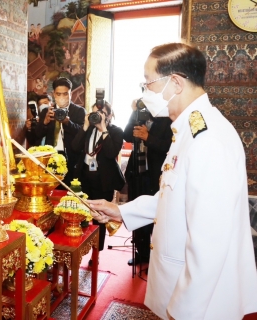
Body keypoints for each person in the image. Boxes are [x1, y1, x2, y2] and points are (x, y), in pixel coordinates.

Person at [87, 43, 257, 319]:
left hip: (199, 305)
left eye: (148, 84)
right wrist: (120, 210)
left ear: (175, 82)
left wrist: (183, 312)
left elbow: (209, 245)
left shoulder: (208, 140)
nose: (145, 93)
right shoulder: (188, 131)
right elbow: (173, 197)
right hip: (179, 287)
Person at [123, 99, 173, 265]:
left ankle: (156, 255)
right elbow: (126, 135)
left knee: (155, 215)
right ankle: (141, 253)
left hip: (155, 174)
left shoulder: (168, 117)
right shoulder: (141, 115)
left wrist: (148, 137)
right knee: (136, 211)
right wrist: (133, 113)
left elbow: (169, 147)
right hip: (137, 171)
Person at [73, 101, 125, 253]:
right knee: (82, 214)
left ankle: (96, 252)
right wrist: (84, 126)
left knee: (100, 218)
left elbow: (110, 153)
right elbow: (75, 147)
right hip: (84, 178)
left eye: (100, 113)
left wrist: (103, 129)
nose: (97, 116)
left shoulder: (116, 131)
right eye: (94, 113)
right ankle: (80, 247)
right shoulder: (87, 129)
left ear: (108, 115)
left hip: (103, 181)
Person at [34, 78, 85, 186]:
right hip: (51, 157)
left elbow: (82, 134)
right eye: (58, 94)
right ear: (53, 94)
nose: (62, 97)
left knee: (70, 192)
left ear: (71, 93)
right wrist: (45, 122)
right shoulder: (46, 111)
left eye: (65, 94)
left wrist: (67, 122)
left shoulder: (79, 111)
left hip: (71, 157)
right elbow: (37, 134)